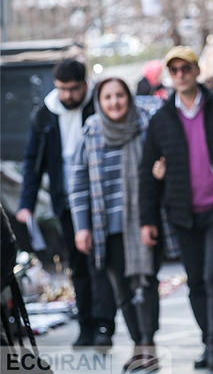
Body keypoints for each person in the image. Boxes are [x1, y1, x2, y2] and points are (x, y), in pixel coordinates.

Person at [139, 46, 213, 371]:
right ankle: (208, 339)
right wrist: (147, 219)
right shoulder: (161, 118)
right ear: (170, 75)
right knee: (195, 281)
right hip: (182, 212)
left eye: (186, 68)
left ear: (195, 71)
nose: (180, 75)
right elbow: (147, 172)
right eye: (174, 70)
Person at [15, 59, 117, 349]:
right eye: (62, 89)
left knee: (100, 264)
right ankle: (85, 326)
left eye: (73, 89)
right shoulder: (45, 115)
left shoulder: (98, 104)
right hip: (65, 201)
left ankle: (103, 326)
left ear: (84, 85)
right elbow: (32, 161)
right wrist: (27, 203)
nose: (67, 96)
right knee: (77, 266)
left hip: (99, 200)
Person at [69, 78, 162, 371]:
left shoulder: (146, 125)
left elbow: (162, 164)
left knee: (145, 284)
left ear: (128, 97)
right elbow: (79, 183)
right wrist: (81, 226)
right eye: (107, 97)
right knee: (122, 291)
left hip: (144, 223)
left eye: (119, 95)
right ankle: (139, 341)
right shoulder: (92, 131)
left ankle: (146, 344)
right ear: (99, 101)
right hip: (106, 227)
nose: (114, 102)